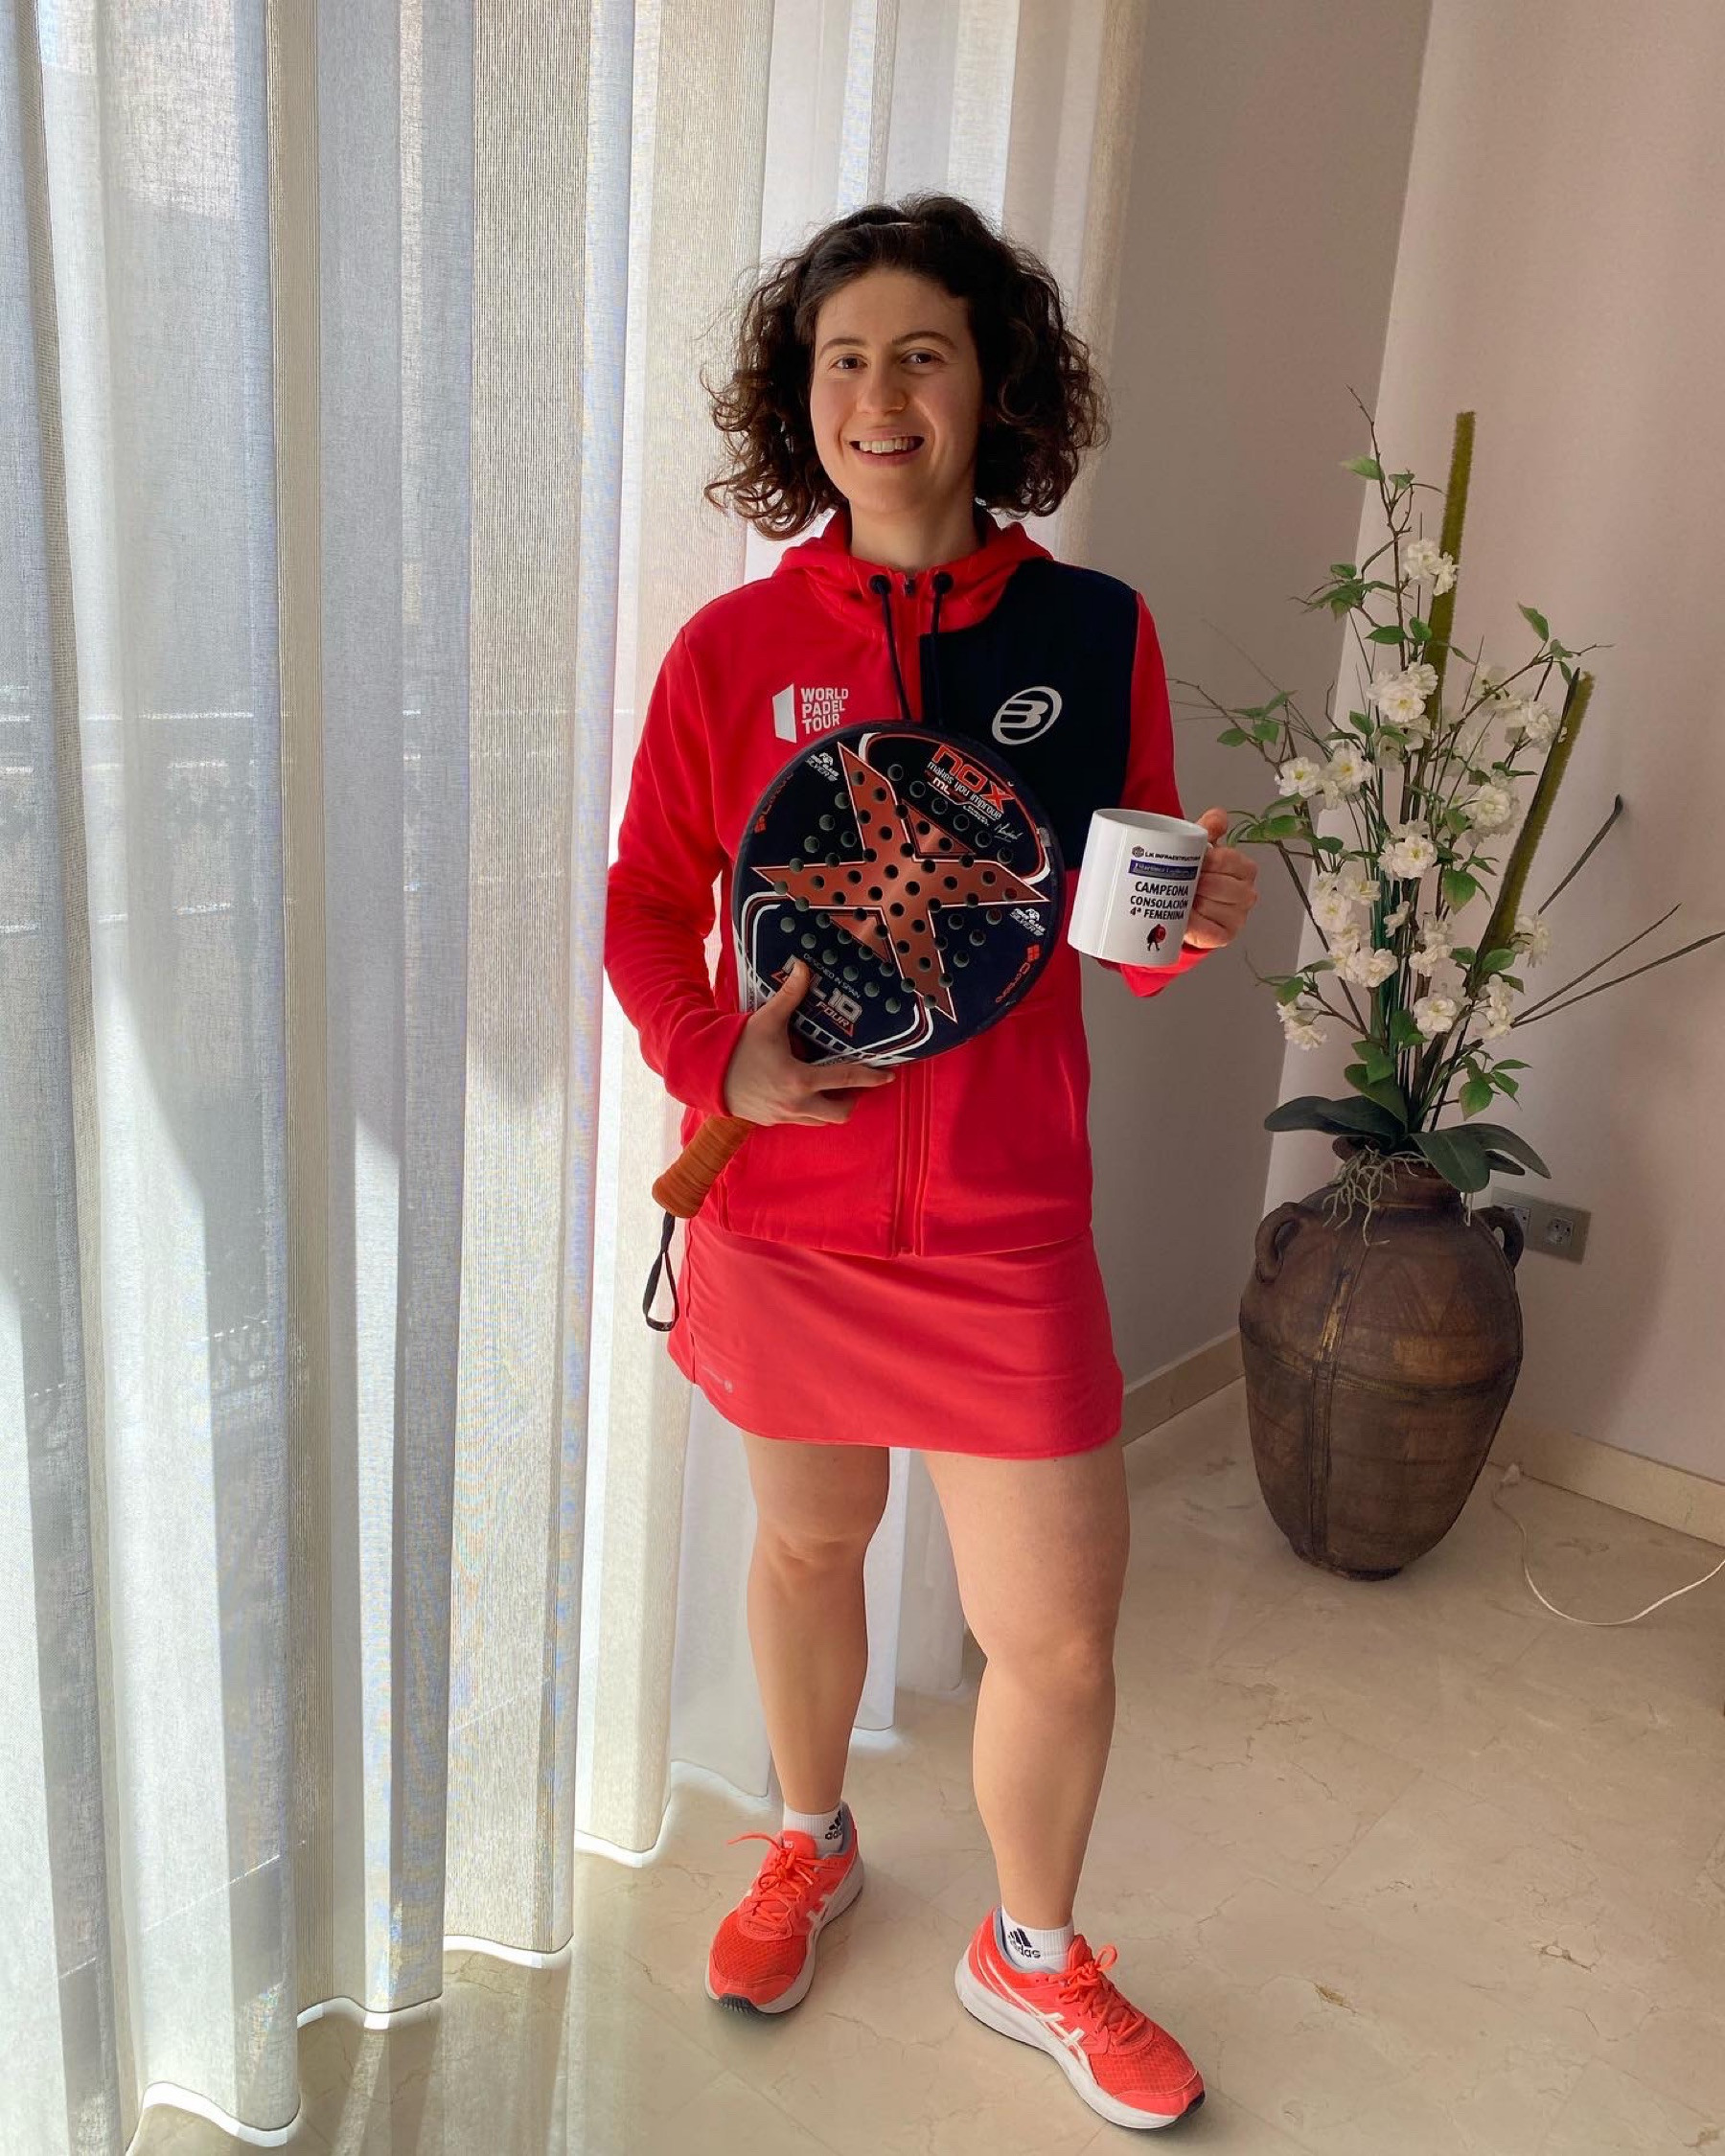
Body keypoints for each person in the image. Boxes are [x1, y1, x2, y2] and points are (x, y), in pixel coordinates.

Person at [603, 195, 1258, 2135]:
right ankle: (810, 1842)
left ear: (991, 383)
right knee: (809, 1547)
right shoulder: (731, 650)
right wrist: (716, 1052)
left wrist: (1187, 923)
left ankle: (1030, 1951)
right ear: (798, 398)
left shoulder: (1093, 631)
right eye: (842, 358)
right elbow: (645, 902)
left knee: (1055, 1634)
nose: (877, 394)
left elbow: (1119, 928)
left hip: (1000, 1228)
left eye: (920, 353)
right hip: (785, 1214)